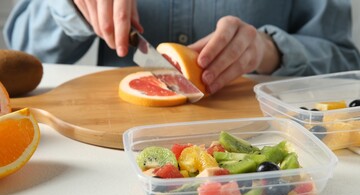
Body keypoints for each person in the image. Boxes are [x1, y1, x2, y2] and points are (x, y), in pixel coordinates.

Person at [3, 0, 360, 94]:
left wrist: (270, 50)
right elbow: (22, 49)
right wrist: (70, 6)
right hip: (111, 151)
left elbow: (346, 65)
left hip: (256, 142)